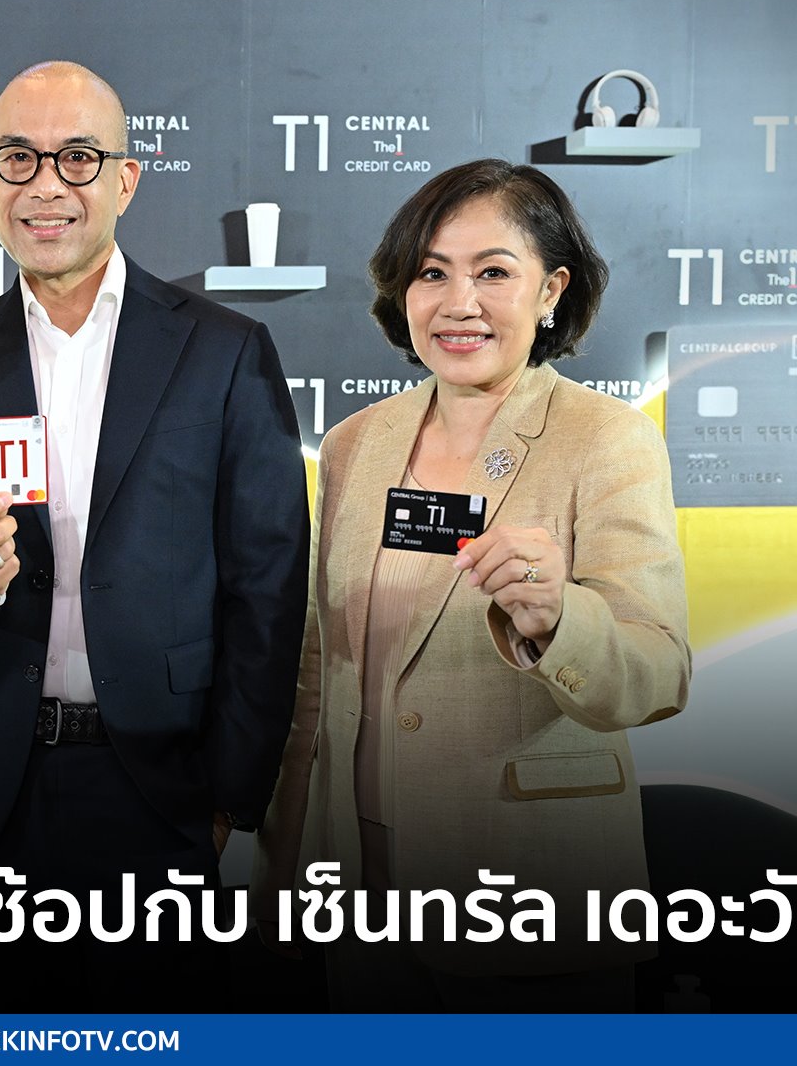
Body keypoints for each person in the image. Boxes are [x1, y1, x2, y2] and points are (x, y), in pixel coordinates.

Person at [0, 61, 309, 1010]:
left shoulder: (224, 350)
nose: (48, 185)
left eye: (78, 157)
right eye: (20, 158)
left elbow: (269, 585)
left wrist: (232, 792)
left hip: (164, 782)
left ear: (125, 179)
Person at [250, 159, 690, 1012]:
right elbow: (316, 669)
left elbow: (657, 672)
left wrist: (559, 618)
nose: (460, 303)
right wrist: (282, 868)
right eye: (432, 273)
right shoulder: (354, 445)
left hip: (528, 886)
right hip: (357, 883)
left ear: (551, 289)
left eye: (493, 272)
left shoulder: (606, 439)